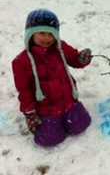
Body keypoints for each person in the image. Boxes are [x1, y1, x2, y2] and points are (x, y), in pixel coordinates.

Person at [12, 9, 92, 147]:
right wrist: (30, 113)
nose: (47, 38)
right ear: (31, 34)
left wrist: (81, 59)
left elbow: (74, 59)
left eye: (51, 34)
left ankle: (68, 116)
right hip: (45, 109)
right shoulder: (21, 62)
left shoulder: (60, 48)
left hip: (68, 101)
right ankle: (52, 123)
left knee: (81, 124)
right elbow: (24, 90)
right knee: (50, 139)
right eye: (42, 33)